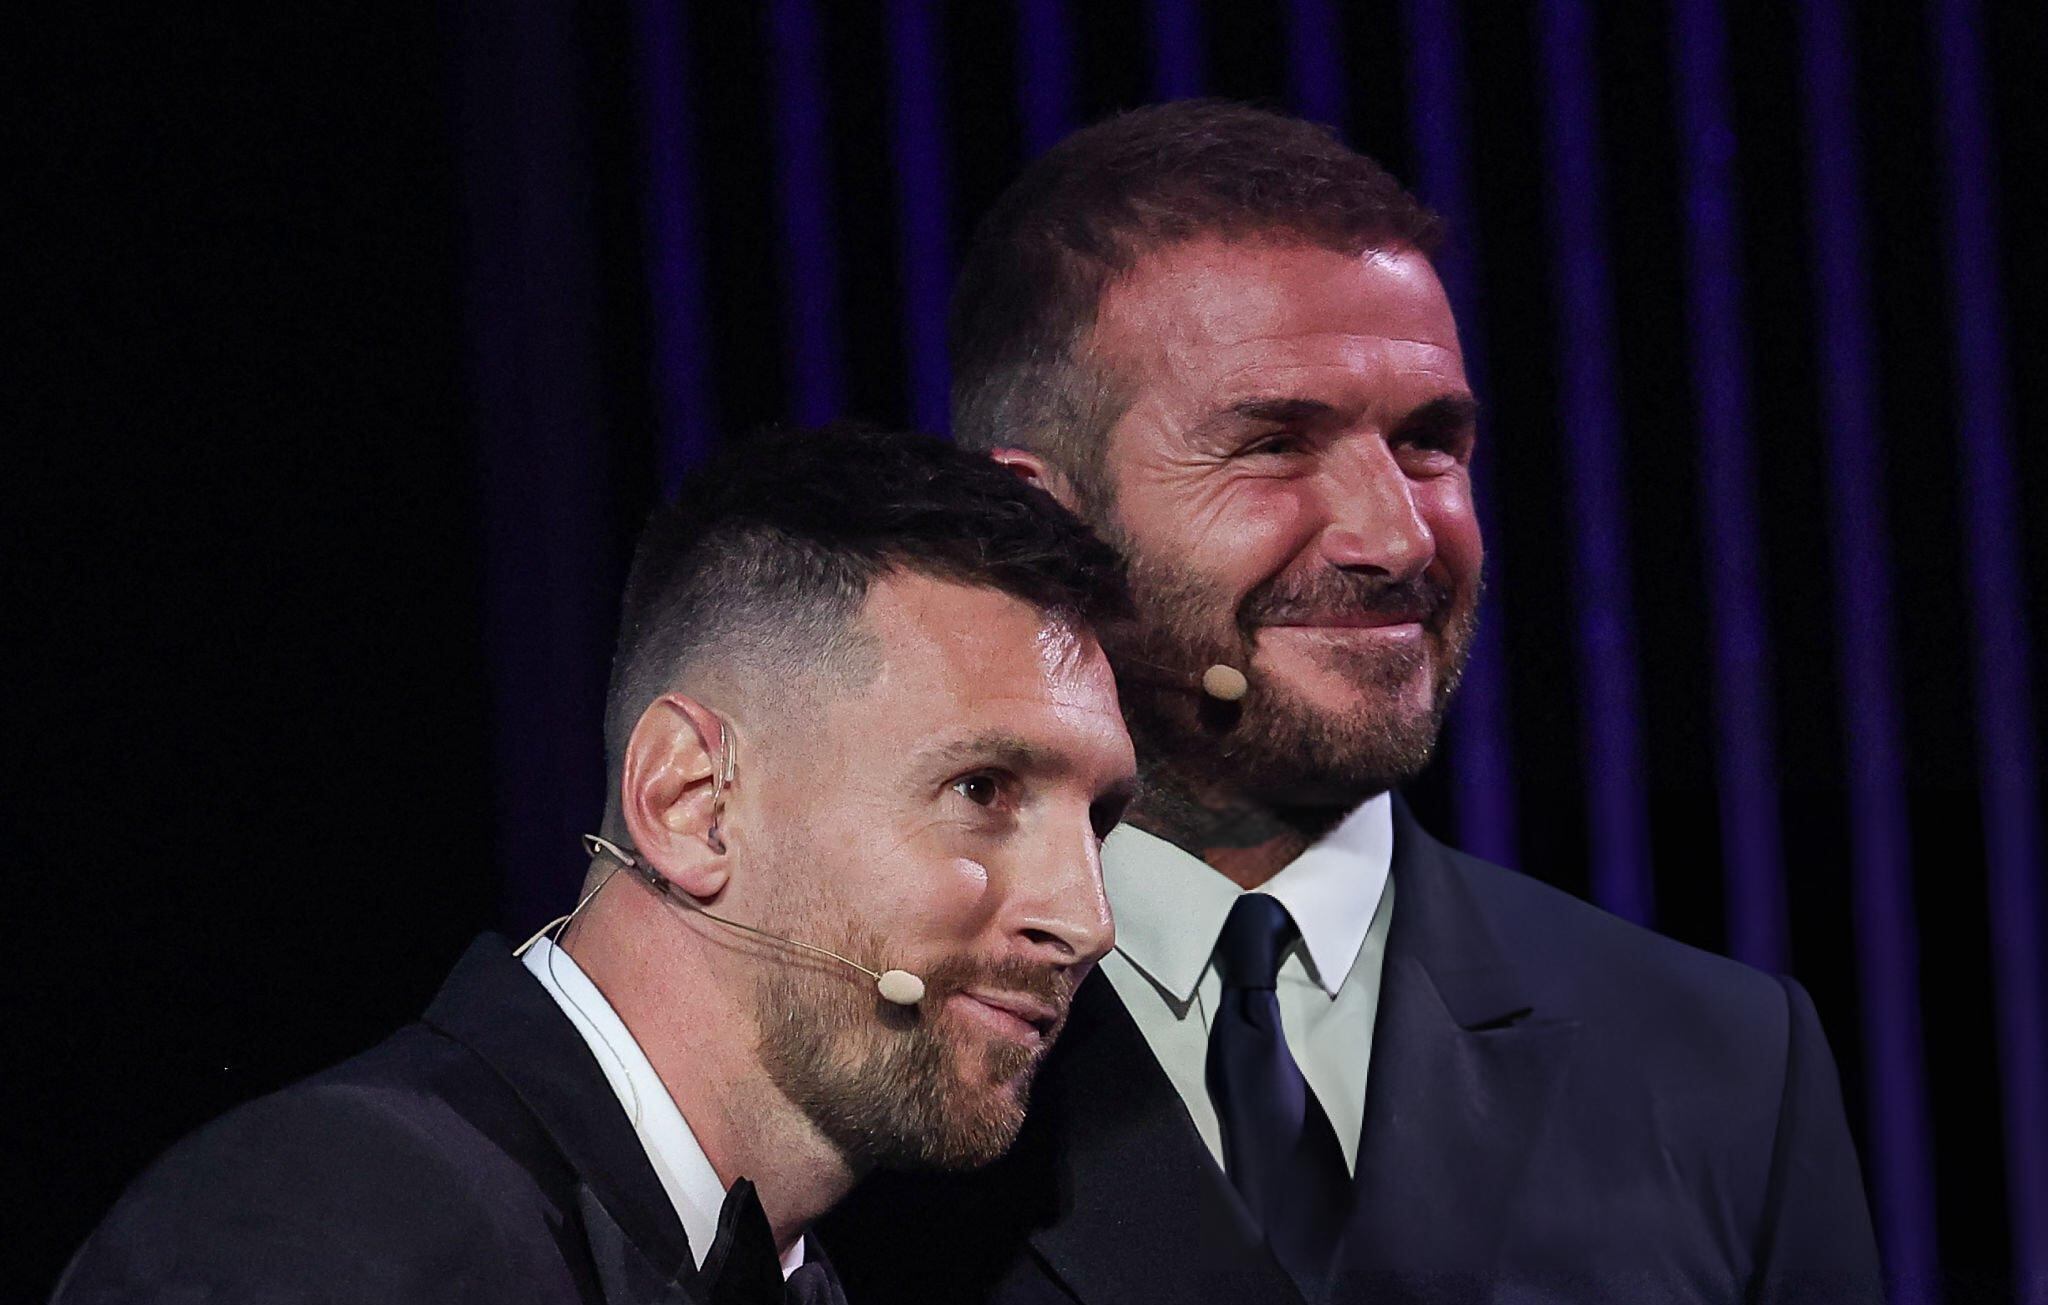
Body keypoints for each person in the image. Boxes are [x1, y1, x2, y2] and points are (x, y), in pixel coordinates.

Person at [825, 101, 1884, 1303]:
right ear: (1042, 520)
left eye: (1430, 442)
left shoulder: (1725, 1065)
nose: (1395, 535)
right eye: (1274, 442)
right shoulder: (840, 1048)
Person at [54, 426, 1140, 1304]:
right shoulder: (334, 1228)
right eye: (982, 792)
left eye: (1098, 820)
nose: (1084, 920)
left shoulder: (776, 1270)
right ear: (690, 804)